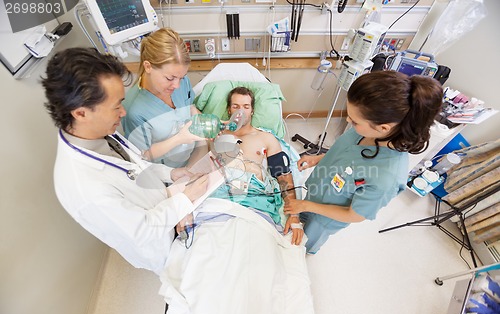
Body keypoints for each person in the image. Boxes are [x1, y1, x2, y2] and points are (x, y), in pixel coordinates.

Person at [42, 47, 209, 275]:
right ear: (81, 113)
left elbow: (138, 163)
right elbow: (143, 230)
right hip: (160, 244)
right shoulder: (84, 187)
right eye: (116, 106)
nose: (123, 113)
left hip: (167, 206)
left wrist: (170, 174)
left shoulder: (101, 132)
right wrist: (186, 199)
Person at [284, 71, 443, 254]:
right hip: (316, 192)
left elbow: (354, 215)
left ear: (384, 128)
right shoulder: (362, 131)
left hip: (324, 220)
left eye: (354, 121)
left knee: (303, 244)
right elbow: (345, 155)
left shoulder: (386, 177)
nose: (348, 121)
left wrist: (306, 206)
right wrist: (318, 159)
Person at [211, 87, 304, 245]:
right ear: (228, 109)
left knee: (253, 243)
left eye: (246, 107)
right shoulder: (215, 136)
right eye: (236, 106)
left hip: (253, 196)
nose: (241, 111)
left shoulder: (265, 138)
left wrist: (294, 216)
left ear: (252, 110)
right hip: (221, 194)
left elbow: (283, 175)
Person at [121, 27, 205, 168]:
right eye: (170, 78)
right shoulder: (134, 111)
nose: (177, 85)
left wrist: (199, 117)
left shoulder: (181, 82)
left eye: (181, 77)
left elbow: (189, 106)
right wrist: (179, 139)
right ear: (148, 67)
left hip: (196, 158)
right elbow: (142, 156)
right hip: (169, 175)